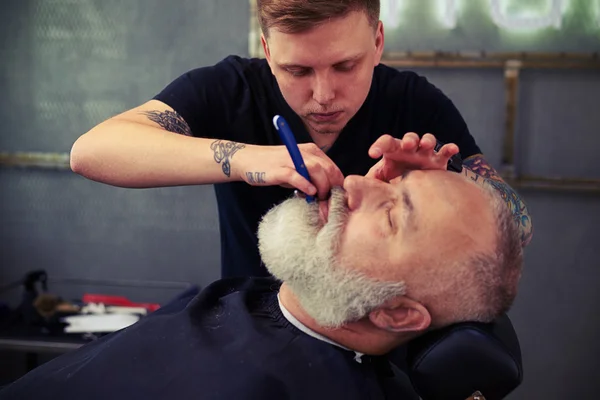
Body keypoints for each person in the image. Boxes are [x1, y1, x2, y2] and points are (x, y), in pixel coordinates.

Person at [69, 0, 533, 279]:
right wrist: (251, 160)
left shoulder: (415, 103)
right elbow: (92, 151)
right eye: (297, 70)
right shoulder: (230, 90)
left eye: (346, 66)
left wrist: (449, 188)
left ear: (378, 42)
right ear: (268, 50)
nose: (323, 95)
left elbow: (519, 226)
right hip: (253, 331)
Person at [0, 170, 523, 400]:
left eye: (392, 215)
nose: (358, 182)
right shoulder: (260, 302)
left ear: (397, 315)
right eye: (390, 181)